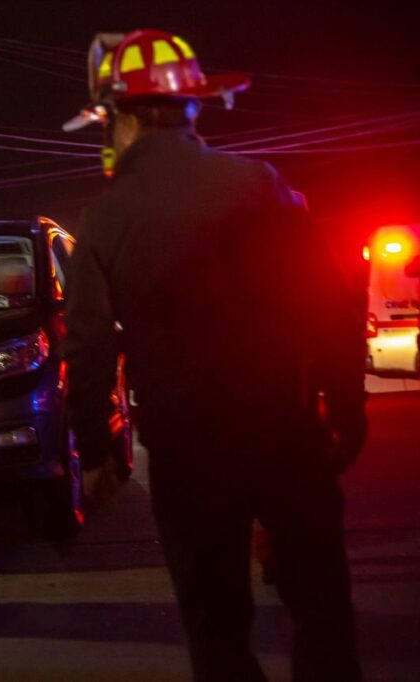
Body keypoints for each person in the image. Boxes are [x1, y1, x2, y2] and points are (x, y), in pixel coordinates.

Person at [61, 30, 367, 682]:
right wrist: (345, 408)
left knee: (216, 626)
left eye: (107, 122)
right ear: (193, 108)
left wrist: (96, 455)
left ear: (126, 115)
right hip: (286, 435)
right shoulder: (261, 184)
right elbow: (328, 302)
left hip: (188, 454)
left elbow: (87, 348)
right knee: (322, 610)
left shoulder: (106, 218)